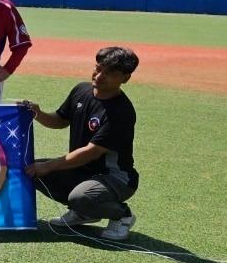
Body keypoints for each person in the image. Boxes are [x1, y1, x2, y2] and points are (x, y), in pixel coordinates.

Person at [22, 46, 141, 241]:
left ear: (125, 78)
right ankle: (84, 213)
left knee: (80, 196)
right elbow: (60, 120)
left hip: (115, 178)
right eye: (98, 68)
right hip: (83, 171)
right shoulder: (81, 90)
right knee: (31, 172)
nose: (100, 75)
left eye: (110, 73)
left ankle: (122, 215)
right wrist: (38, 113)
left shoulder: (121, 112)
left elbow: (91, 152)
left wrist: (48, 165)